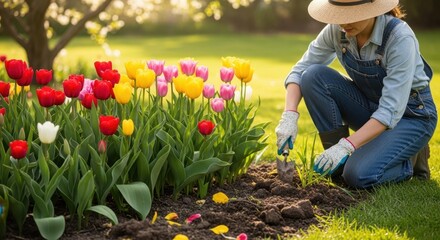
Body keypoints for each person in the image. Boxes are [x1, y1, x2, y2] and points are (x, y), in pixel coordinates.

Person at [275, 0, 437, 189]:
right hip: (370, 106)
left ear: (372, 9)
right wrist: (289, 115)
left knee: (357, 175)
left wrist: (346, 146)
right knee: (312, 76)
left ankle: (409, 161)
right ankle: (336, 164)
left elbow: (389, 110)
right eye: (339, 14)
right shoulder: (337, 31)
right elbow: (300, 70)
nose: (343, 23)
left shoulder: (399, 37)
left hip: (411, 117)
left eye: (351, 15)